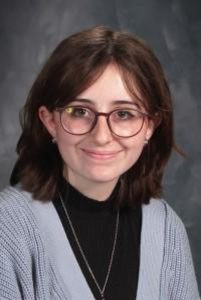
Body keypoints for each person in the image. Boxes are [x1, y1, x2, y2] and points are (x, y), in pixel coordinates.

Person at [0, 25, 199, 300]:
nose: (102, 136)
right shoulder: (8, 227)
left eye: (125, 114)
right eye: (79, 111)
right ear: (50, 121)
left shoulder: (166, 229)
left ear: (150, 126)